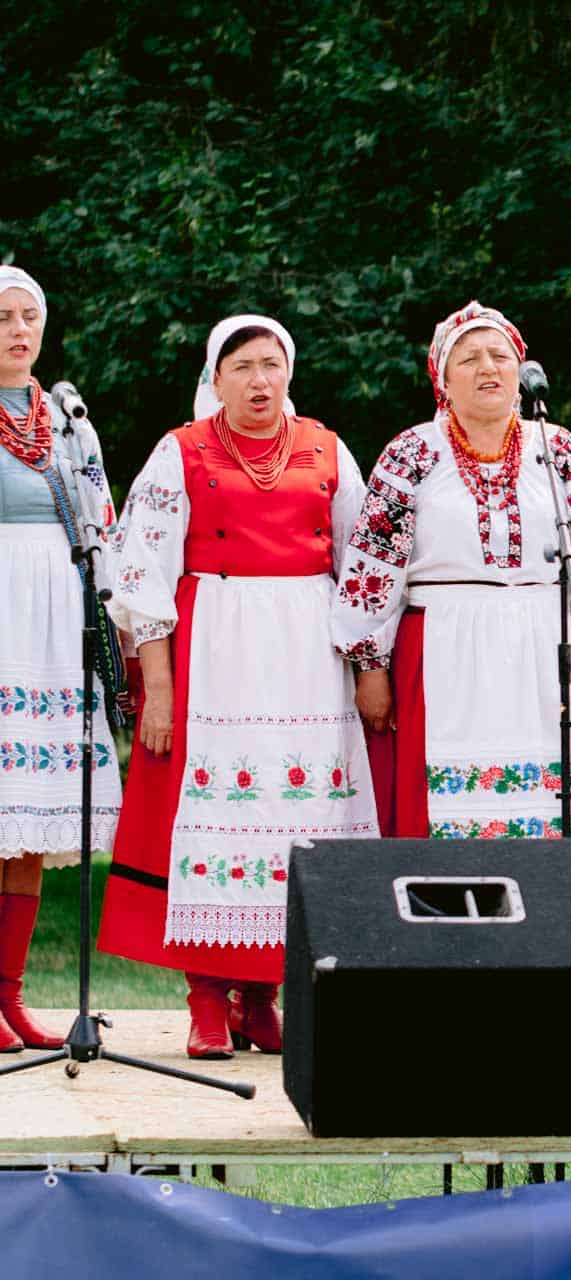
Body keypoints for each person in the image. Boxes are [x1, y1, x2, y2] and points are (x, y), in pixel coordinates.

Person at [99, 315, 378, 1059]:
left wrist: (364, 669)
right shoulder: (180, 452)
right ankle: (205, 999)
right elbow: (143, 578)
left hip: (307, 659)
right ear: (215, 378)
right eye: (243, 367)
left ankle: (261, 998)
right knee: (213, 819)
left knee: (297, 818)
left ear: (289, 372)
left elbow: (363, 568)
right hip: (217, 649)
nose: (260, 381)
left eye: (271, 365)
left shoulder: (326, 448)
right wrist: (156, 690)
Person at [333, 302, 571, 841]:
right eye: (469, 358)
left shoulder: (558, 448)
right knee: (451, 814)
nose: (487, 368)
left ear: (520, 374)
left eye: (500, 356)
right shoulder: (412, 453)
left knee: (560, 807)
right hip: (445, 646)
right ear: (443, 380)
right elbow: (374, 564)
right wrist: (369, 664)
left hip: (547, 646)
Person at [0, 265, 123, 1053]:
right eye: (3, 317)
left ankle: (9, 996)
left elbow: (100, 522)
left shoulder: (66, 419)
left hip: (54, 615)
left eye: (28, 317)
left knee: (32, 819)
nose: (17, 331)